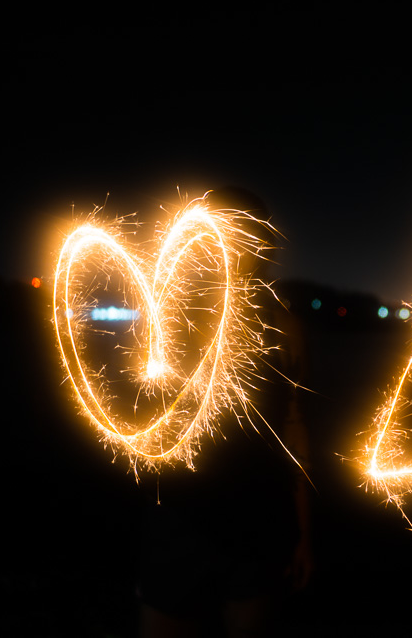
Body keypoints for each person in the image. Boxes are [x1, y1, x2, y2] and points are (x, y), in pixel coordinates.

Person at [135, 187, 312, 637]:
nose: (237, 247)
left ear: (263, 244)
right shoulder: (172, 317)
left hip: (259, 515)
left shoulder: (282, 325)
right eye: (228, 231)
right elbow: (142, 415)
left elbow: (293, 428)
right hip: (181, 514)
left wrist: (304, 528)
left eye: (249, 235)